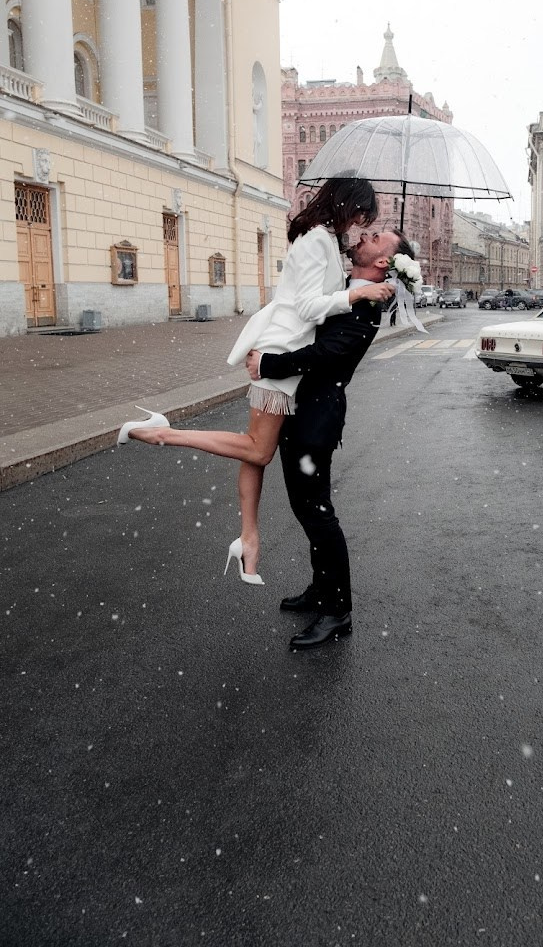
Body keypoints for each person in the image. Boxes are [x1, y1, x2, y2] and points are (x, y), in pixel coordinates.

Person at [116, 175, 395, 584]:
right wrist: (357, 295)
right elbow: (305, 305)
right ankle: (162, 433)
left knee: (254, 450)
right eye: (359, 214)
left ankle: (248, 540)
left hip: (284, 350)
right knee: (257, 449)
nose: (358, 224)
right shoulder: (318, 238)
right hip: (280, 350)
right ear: (345, 204)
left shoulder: (323, 238)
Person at [247, 227, 417, 649]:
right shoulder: (345, 289)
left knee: (318, 513)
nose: (367, 235)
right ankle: (320, 590)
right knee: (306, 509)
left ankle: (337, 612)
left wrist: (268, 362)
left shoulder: (368, 308)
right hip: (298, 410)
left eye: (378, 236)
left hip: (316, 419)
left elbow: (322, 356)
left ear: (383, 263)